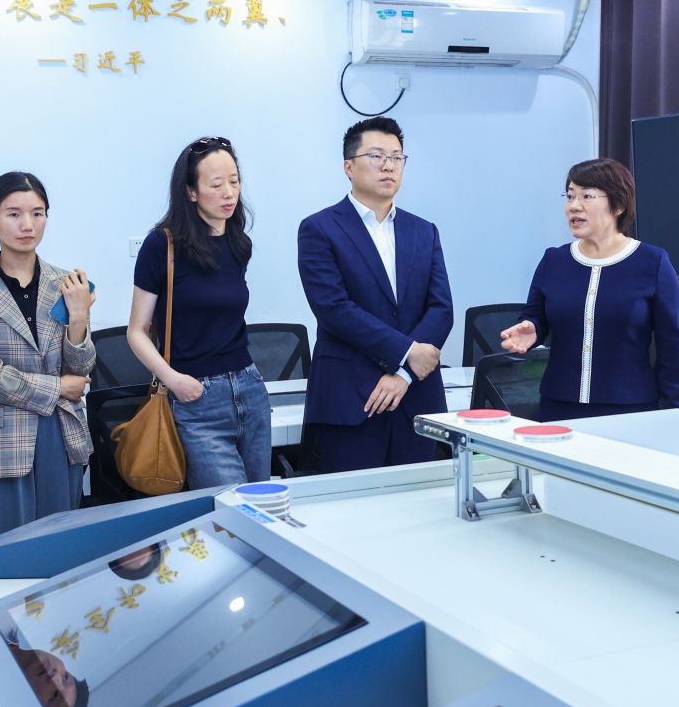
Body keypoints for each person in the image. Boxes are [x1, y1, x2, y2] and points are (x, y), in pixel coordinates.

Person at [297, 117, 453, 473]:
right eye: (377, 156)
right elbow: (334, 309)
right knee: (351, 501)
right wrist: (408, 352)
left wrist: (404, 373)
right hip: (352, 398)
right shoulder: (320, 228)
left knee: (419, 500)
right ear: (348, 167)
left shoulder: (424, 231)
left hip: (416, 397)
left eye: (397, 157)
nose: (388, 165)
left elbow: (441, 309)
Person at [0, 172, 96, 533]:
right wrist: (57, 387)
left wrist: (79, 316)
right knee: (10, 545)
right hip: (0, 435)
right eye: (14, 214)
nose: (27, 225)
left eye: (37, 213)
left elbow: (80, 369)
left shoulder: (66, 283)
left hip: (61, 430)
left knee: (62, 539)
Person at [126, 137, 270, 489]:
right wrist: (173, 380)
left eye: (234, 181)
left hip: (249, 388)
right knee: (231, 504)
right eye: (216, 185)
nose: (229, 193)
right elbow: (136, 331)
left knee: (260, 502)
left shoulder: (238, 242)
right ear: (191, 192)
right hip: (197, 397)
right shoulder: (161, 245)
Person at [501, 158, 679, 420]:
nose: (573, 206)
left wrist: (678, 415)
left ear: (619, 205)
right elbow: (536, 316)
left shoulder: (652, 262)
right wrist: (532, 328)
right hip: (558, 407)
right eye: (570, 196)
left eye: (586, 196)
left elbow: (673, 348)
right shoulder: (553, 260)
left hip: (629, 410)